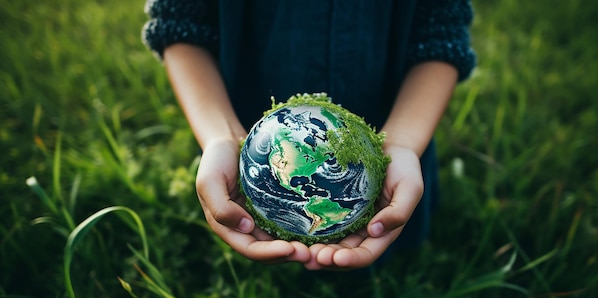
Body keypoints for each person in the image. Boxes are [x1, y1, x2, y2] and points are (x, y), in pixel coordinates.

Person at [142, 0, 476, 271]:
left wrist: (402, 142)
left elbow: (439, 36)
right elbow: (182, 23)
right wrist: (221, 136)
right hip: (242, 137)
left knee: (396, 266)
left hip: (394, 139)